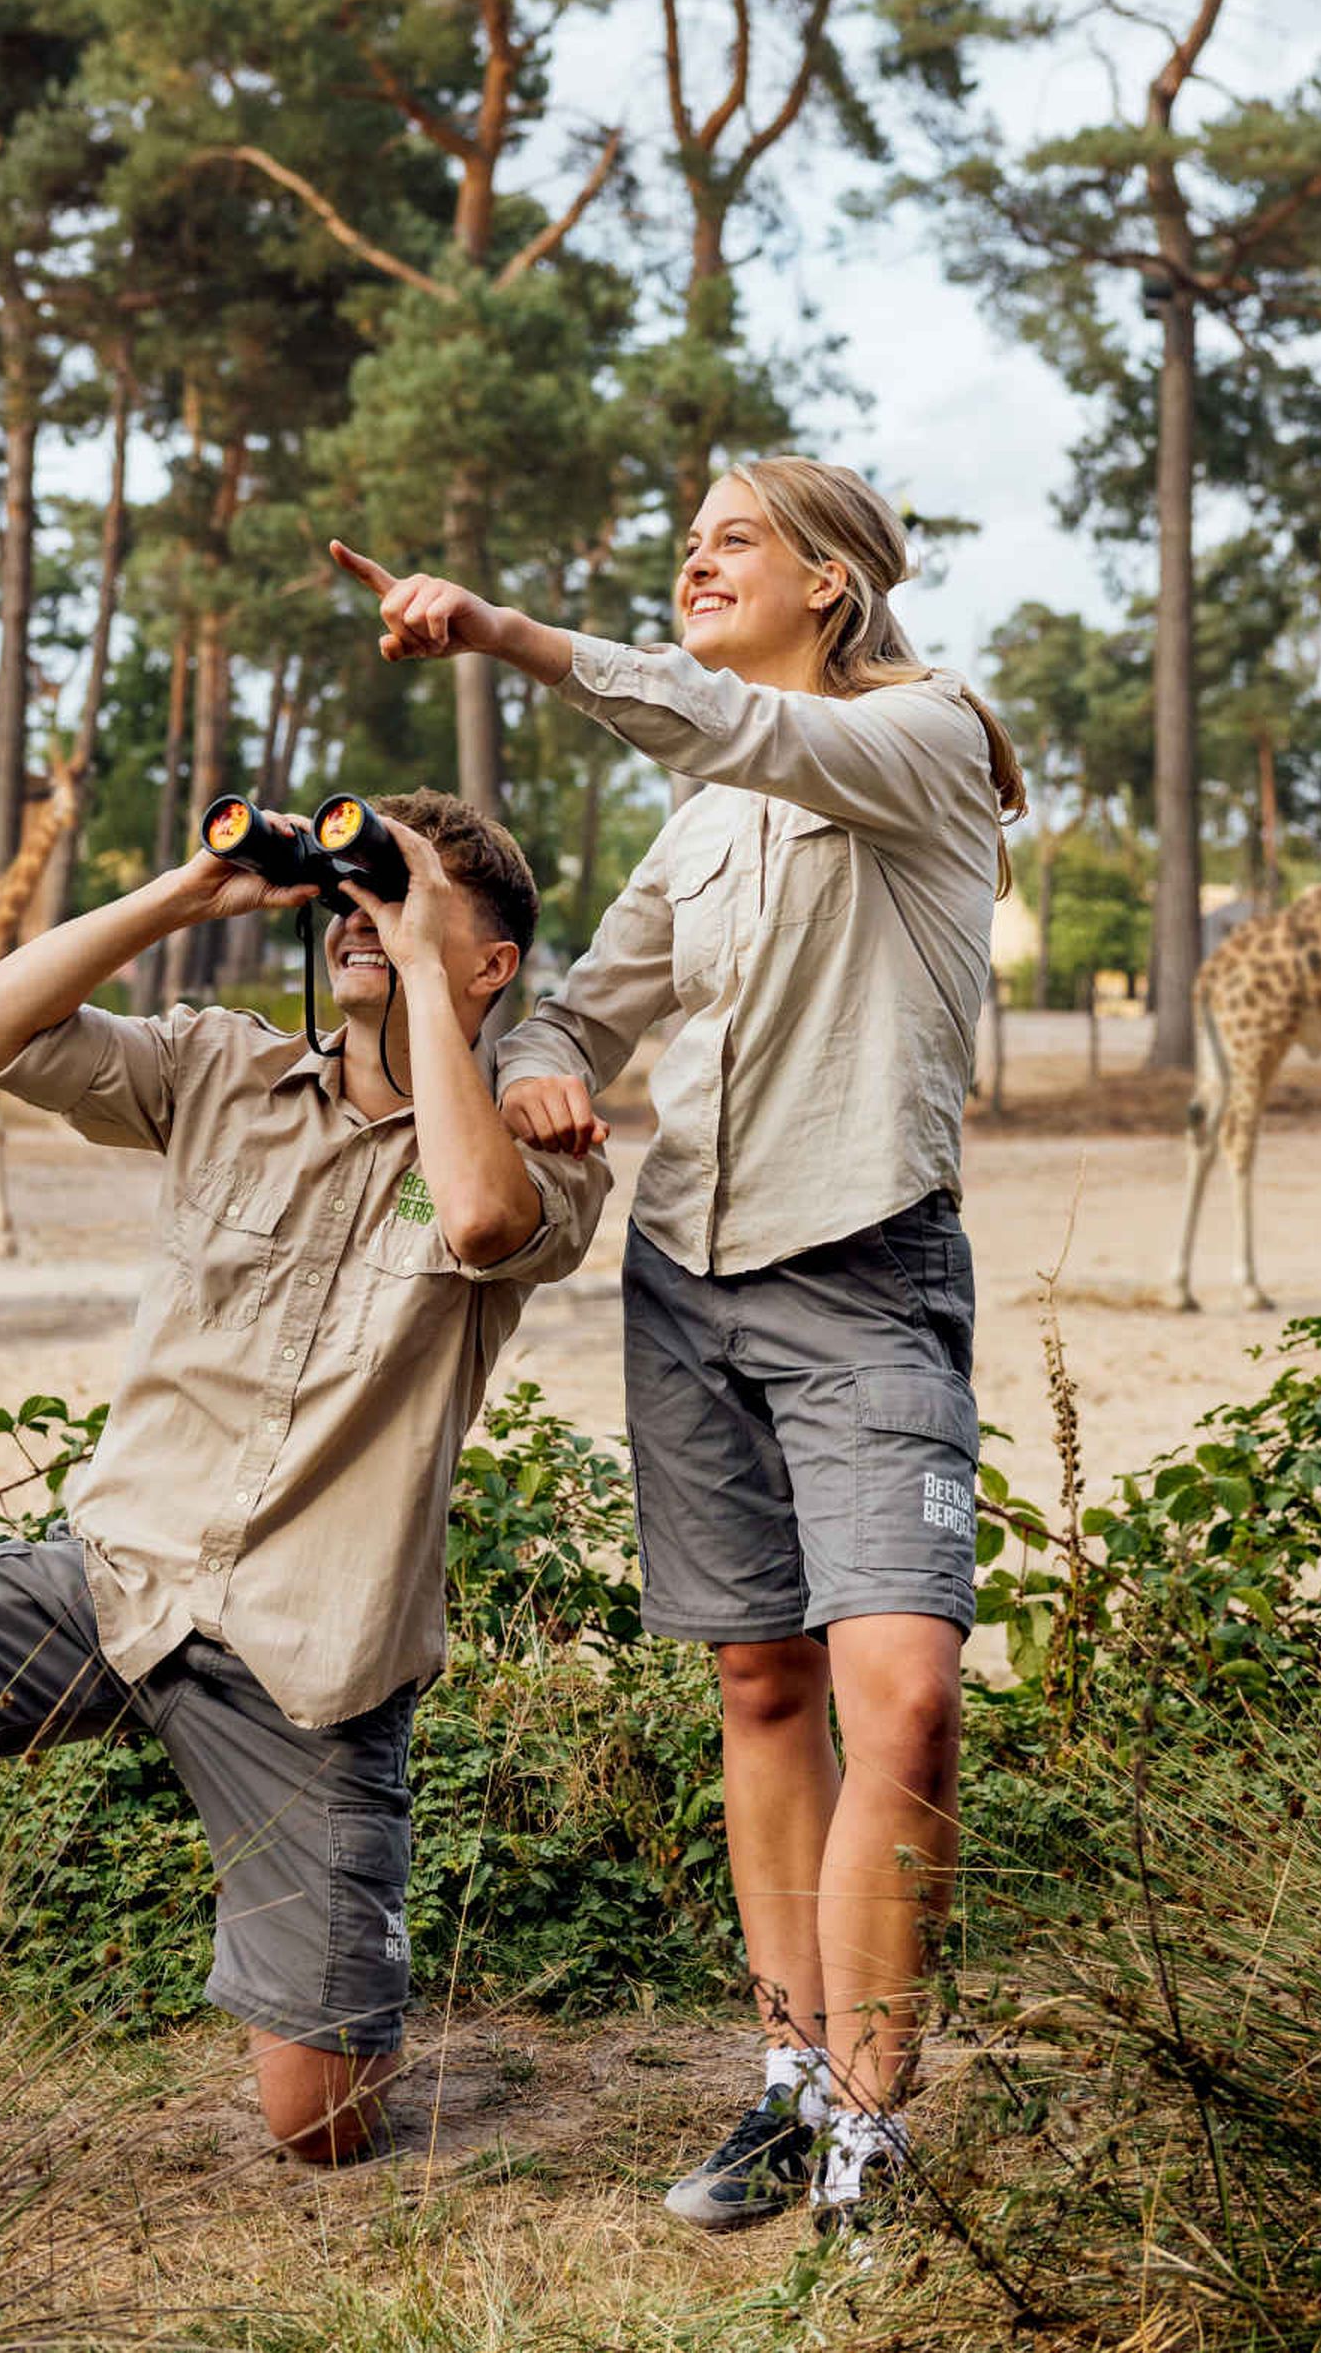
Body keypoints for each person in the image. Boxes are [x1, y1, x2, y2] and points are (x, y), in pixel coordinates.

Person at [329, 458, 1021, 2235]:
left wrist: (506, 634)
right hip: (688, 1279)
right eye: (688, 542)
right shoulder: (704, 818)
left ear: (835, 584)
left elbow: (740, 727)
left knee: (910, 1699)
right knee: (762, 1685)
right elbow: (594, 988)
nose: (698, 560)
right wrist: (551, 1051)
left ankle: (881, 2113)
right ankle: (794, 2083)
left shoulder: (926, 734)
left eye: (732, 541)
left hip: (867, 1268)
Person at [0, 789, 611, 2163]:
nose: (366, 920)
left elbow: (480, 1216)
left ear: (492, 963)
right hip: (119, 1573)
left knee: (319, 2124)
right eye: (359, 898)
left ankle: (320, 1983)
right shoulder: (222, 1071)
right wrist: (188, 894)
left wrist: (428, 944)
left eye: (414, 903)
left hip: (311, 1656)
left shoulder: (531, 1154)